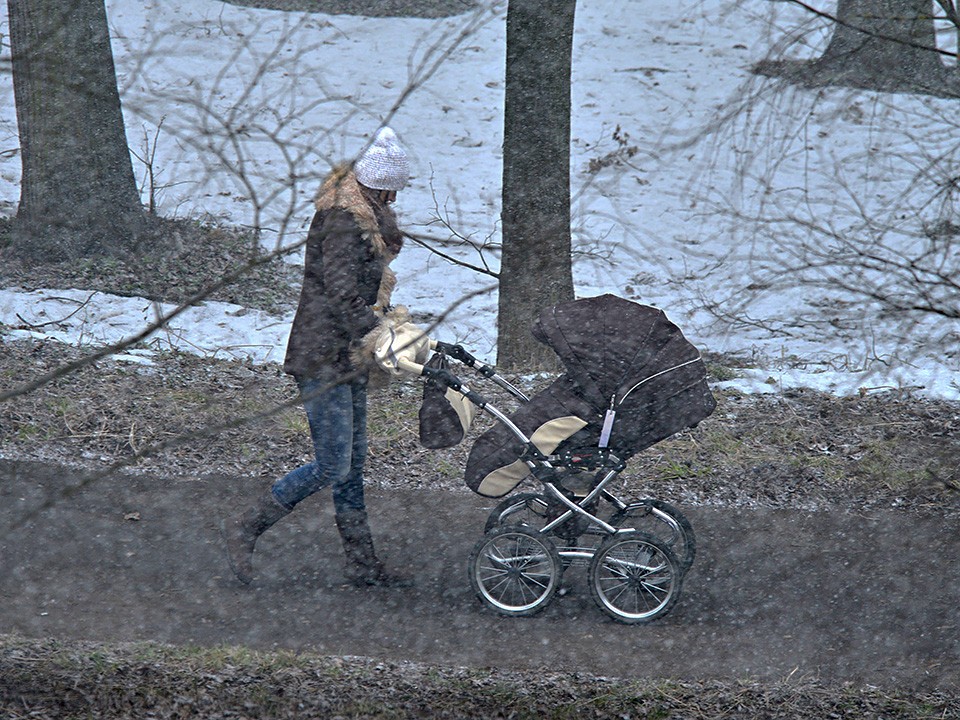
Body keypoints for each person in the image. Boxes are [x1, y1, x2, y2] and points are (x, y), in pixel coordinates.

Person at [223, 127, 413, 587]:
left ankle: (362, 565)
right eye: (392, 187)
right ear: (377, 183)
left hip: (347, 357)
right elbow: (343, 293)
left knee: (352, 465)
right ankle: (246, 528)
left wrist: (383, 329)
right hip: (322, 356)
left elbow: (360, 294)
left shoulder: (365, 215)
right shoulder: (343, 223)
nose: (395, 197)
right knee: (334, 465)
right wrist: (380, 334)